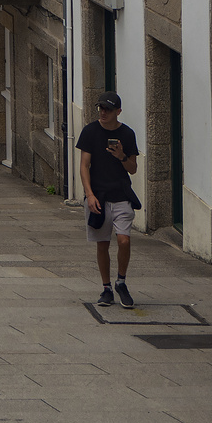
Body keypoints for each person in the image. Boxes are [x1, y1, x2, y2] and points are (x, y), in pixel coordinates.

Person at [77, 91, 140, 308]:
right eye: (101, 108)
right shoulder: (90, 132)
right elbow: (84, 166)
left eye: (108, 109)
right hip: (98, 196)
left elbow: (133, 169)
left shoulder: (128, 134)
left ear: (118, 112)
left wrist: (121, 155)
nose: (103, 112)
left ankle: (121, 281)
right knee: (102, 244)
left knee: (124, 240)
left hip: (121, 195)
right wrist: (90, 195)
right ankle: (106, 288)